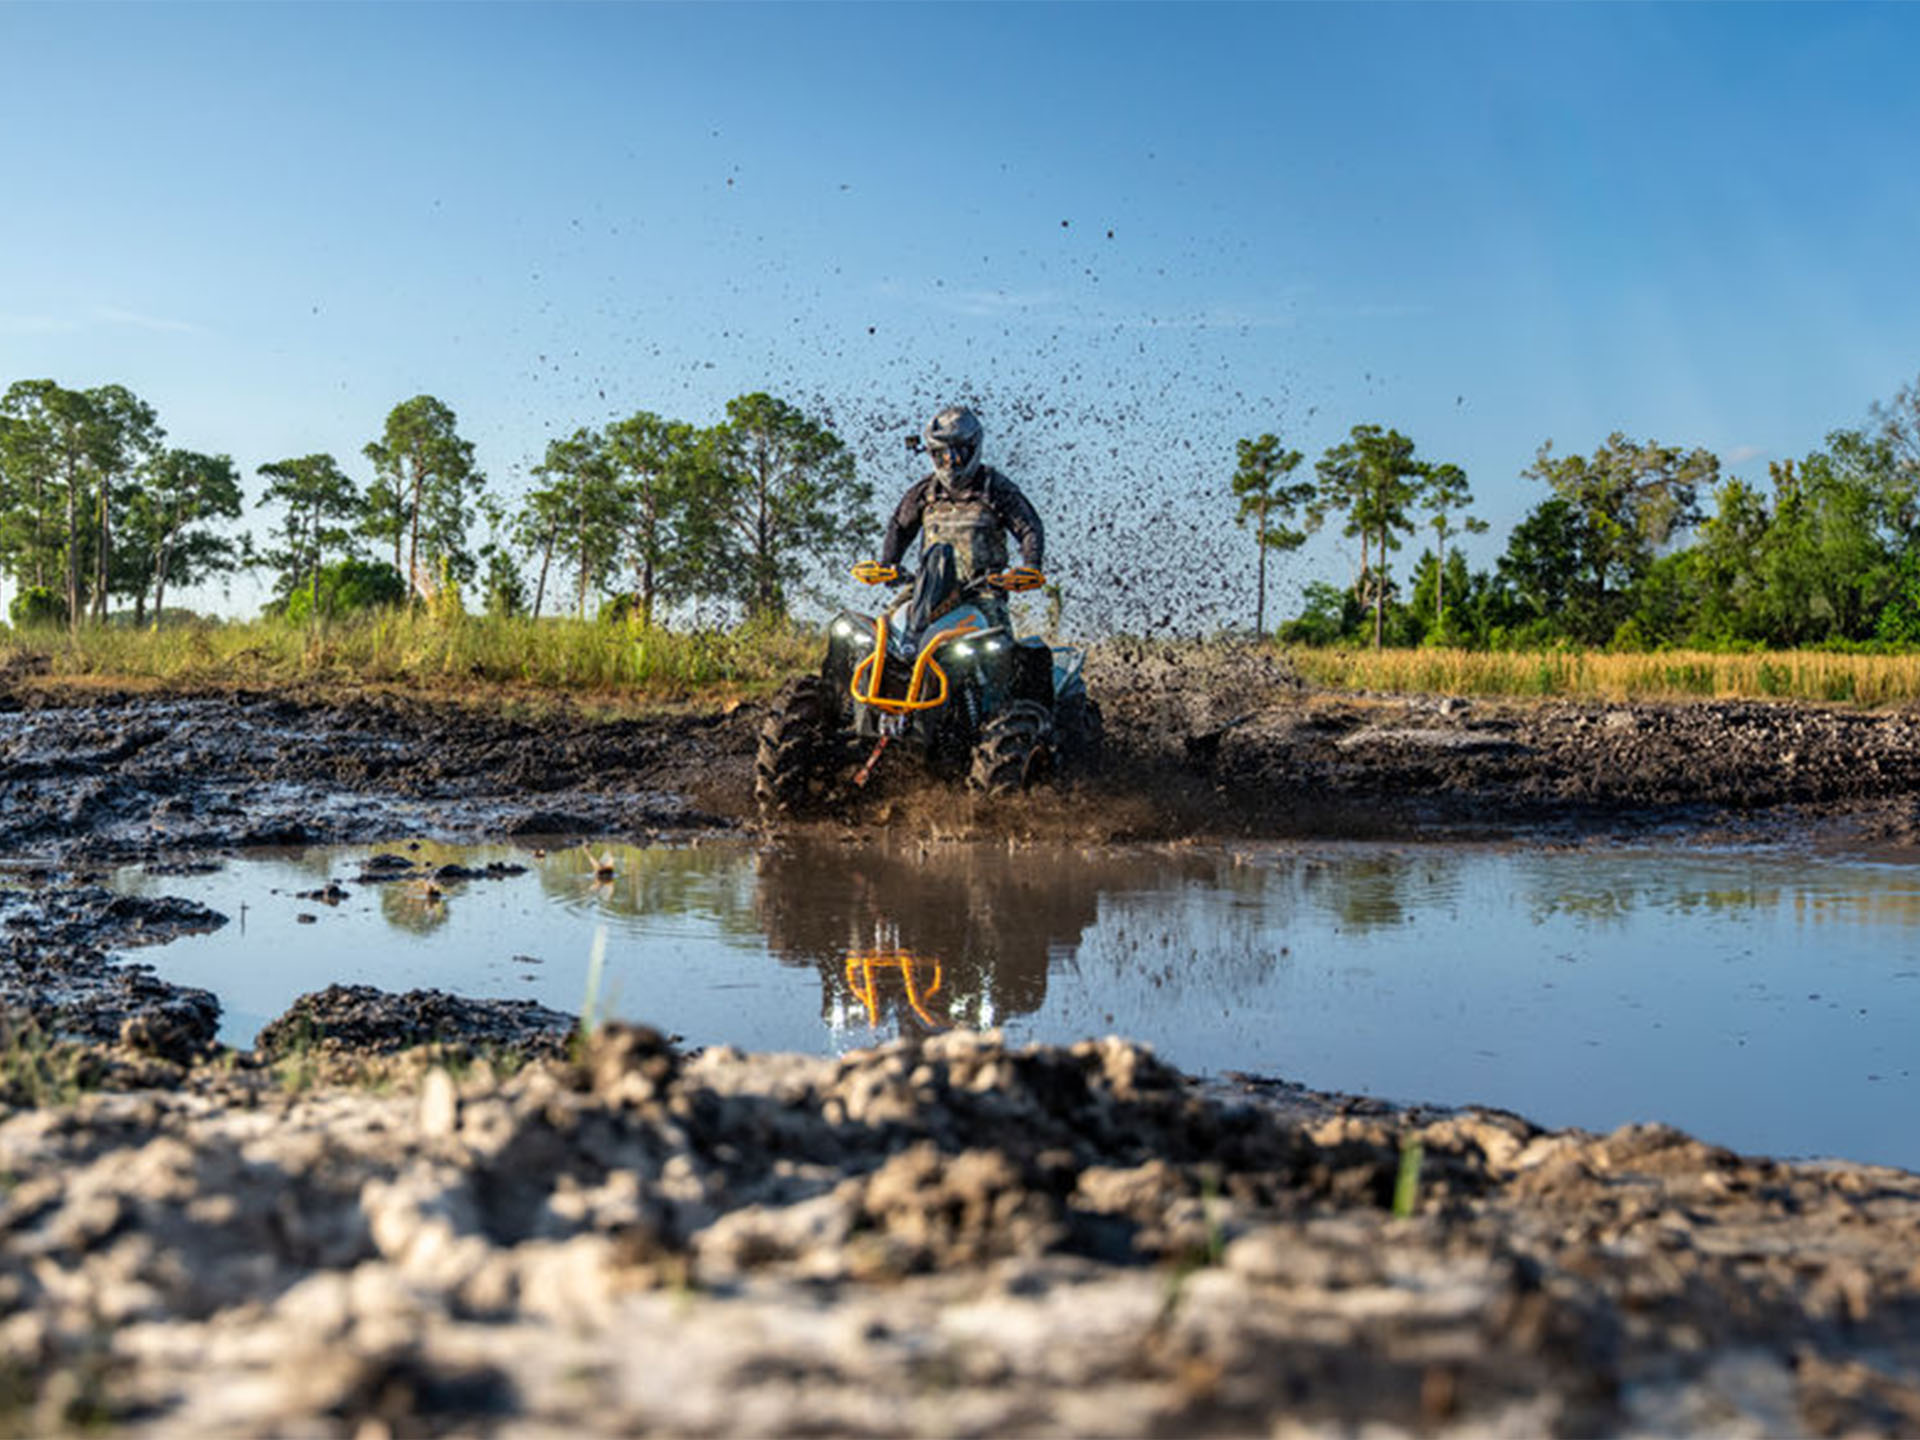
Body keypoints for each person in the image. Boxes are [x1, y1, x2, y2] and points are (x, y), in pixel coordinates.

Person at [873, 406, 1045, 627]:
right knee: (886, 628)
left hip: (983, 591)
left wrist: (1031, 565)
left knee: (997, 641)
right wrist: (889, 564)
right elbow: (899, 526)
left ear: (973, 448)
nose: (950, 461)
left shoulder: (996, 488)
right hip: (927, 589)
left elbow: (1029, 527)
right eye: (941, 454)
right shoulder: (926, 491)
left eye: (957, 453)